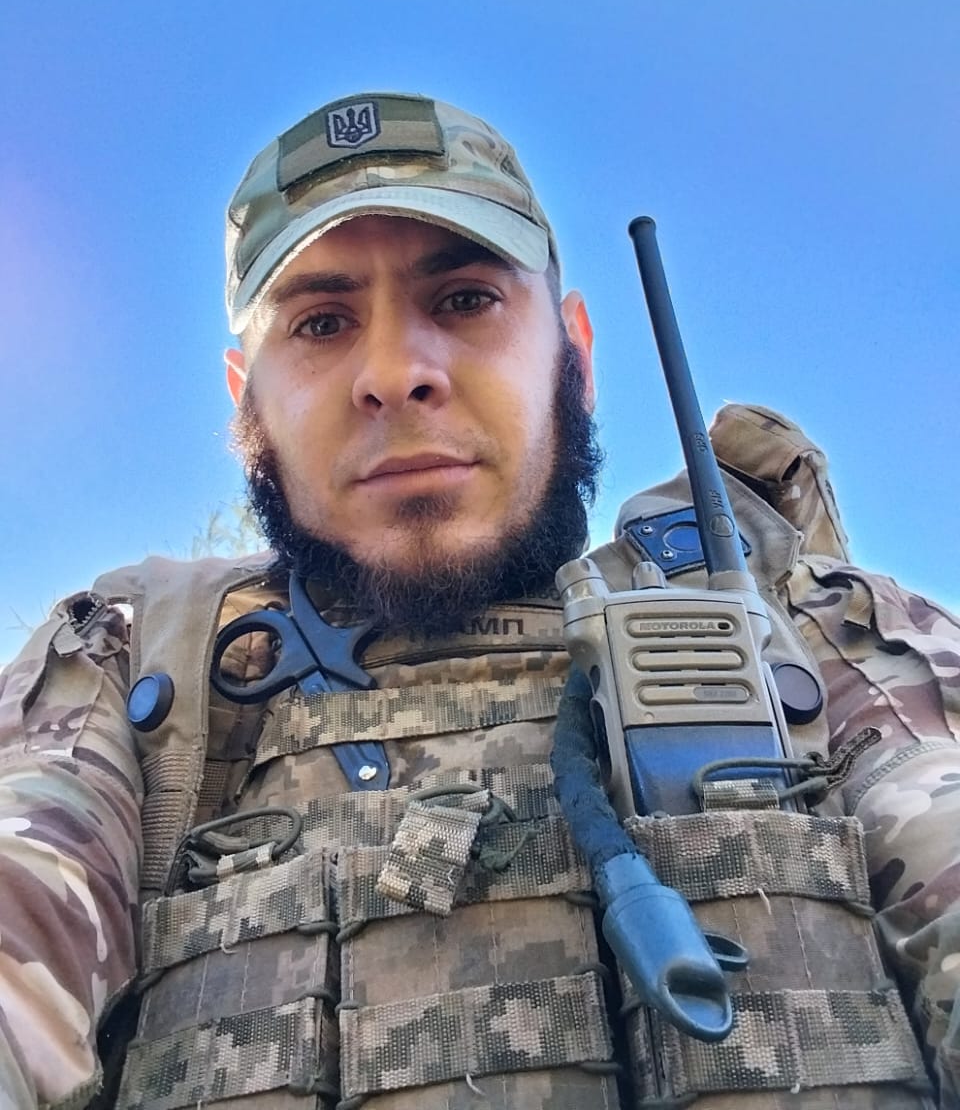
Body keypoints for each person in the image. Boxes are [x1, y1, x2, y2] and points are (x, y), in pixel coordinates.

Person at [0, 91, 957, 1110]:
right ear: (249, 402)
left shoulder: (813, 633)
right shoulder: (135, 666)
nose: (394, 372)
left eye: (464, 299)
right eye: (321, 322)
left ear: (574, 355)